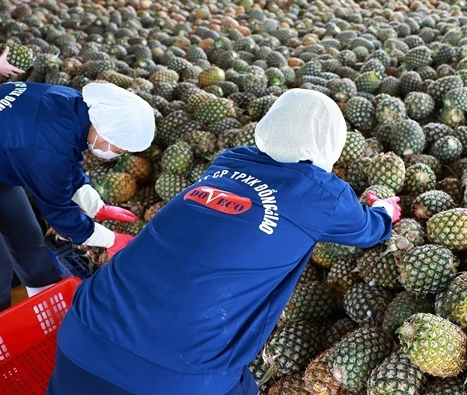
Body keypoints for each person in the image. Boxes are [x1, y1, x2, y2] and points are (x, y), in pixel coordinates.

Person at [48, 89, 402, 395]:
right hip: (181, 370)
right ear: (329, 145)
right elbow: (371, 231)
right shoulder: (321, 193)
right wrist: (384, 210)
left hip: (85, 329)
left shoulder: (228, 160)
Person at [0, 80, 155, 312]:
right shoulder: (47, 152)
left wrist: (95, 206)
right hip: (20, 148)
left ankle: (46, 308)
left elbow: (67, 161)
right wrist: (111, 239)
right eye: (119, 150)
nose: (114, 155)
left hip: (5, 158)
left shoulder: (73, 104)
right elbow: (59, 212)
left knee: (28, 239)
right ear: (106, 130)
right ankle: (5, 333)